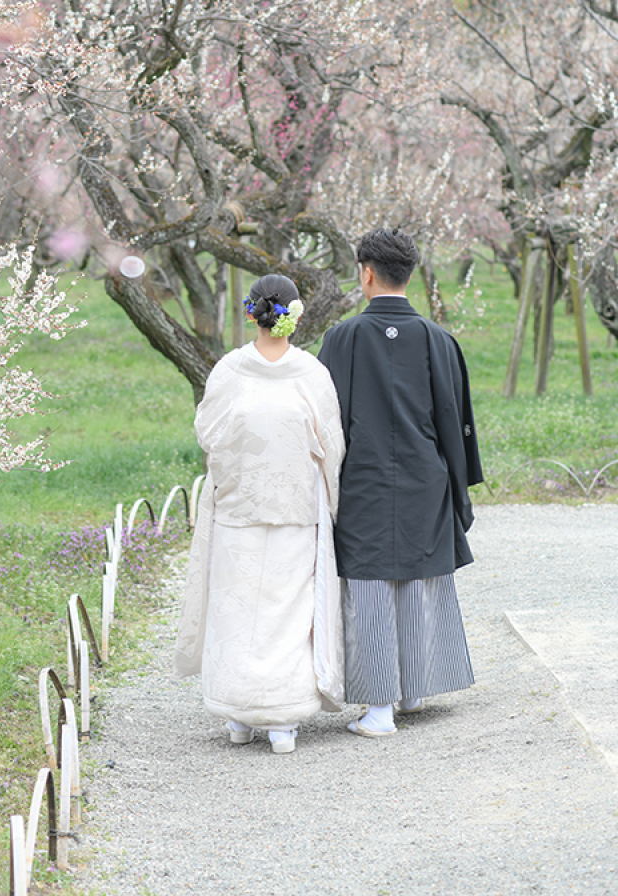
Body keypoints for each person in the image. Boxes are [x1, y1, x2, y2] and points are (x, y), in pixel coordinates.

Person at [318, 229, 483, 737]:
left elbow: (327, 423)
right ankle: (414, 689)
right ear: (409, 274)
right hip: (424, 477)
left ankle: (379, 709)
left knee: (367, 586)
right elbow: (457, 421)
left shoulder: (342, 338)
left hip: (363, 479)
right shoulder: (439, 339)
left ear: (366, 273)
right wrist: (458, 486)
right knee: (418, 577)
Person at [174, 273, 346, 754]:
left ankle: (239, 715)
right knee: (286, 609)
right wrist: (330, 495)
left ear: (251, 312)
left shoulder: (230, 370)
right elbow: (332, 444)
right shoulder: (311, 374)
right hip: (295, 505)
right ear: (295, 315)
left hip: (239, 504)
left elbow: (208, 431)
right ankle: (282, 719)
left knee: (237, 606)